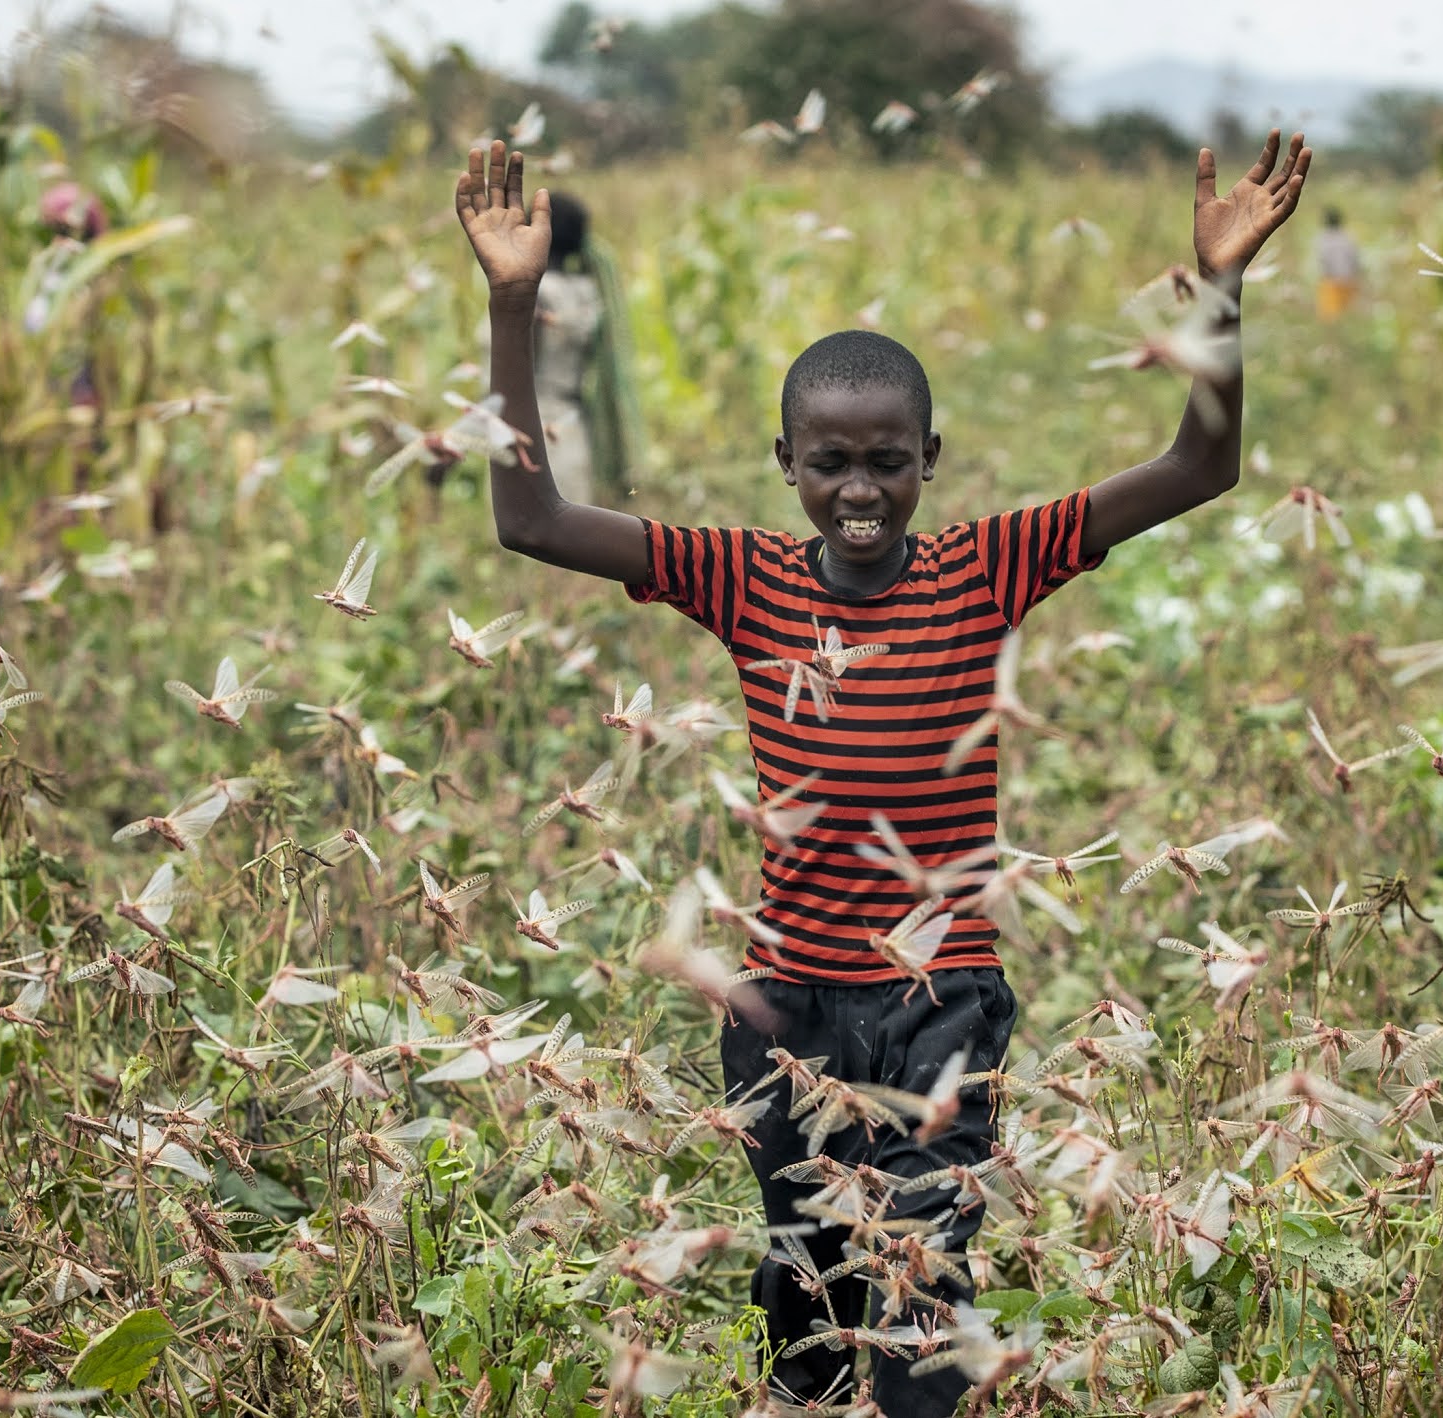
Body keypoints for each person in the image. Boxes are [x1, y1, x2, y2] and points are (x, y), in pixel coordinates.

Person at [453, 129, 1310, 1414]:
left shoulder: (990, 563)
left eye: (887, 459)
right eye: (832, 461)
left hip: (941, 1005)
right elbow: (529, 520)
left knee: (919, 1297)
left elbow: (1202, 465)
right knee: (808, 1309)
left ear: (930, 458)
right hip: (781, 1008)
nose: (861, 487)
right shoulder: (739, 576)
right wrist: (510, 306)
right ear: (785, 465)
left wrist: (1219, 288)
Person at [531, 191, 641, 505]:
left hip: (535, 425)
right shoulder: (588, 291)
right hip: (572, 425)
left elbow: (521, 368)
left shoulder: (534, 295)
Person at [1316, 206, 1360, 322]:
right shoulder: (1348, 237)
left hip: (1330, 282)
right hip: (1349, 280)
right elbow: (1355, 260)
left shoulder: (1323, 238)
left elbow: (1322, 261)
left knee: (1332, 319)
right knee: (1349, 316)